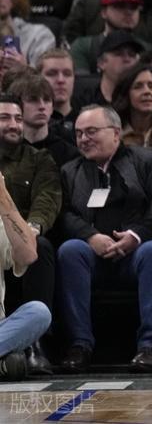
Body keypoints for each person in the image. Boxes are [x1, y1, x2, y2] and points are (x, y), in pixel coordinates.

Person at [56, 104, 152, 373]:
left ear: (116, 133)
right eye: (79, 134)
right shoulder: (69, 171)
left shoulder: (148, 160)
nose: (83, 139)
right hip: (92, 255)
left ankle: (151, 347)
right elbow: (63, 214)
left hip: (137, 253)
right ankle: (79, 345)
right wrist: (90, 236)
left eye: (91, 131)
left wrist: (135, 236)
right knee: (70, 250)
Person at [0, 93, 57, 373]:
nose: (13, 124)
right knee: (13, 363)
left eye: (18, 118)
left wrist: (3, 196)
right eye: (4, 118)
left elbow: (28, 255)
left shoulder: (38, 159)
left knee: (38, 312)